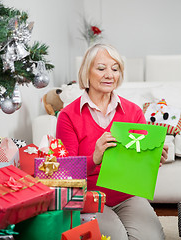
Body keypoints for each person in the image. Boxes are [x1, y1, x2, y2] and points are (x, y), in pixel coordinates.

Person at [56, 43, 168, 240]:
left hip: (127, 195)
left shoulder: (133, 111)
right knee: (117, 238)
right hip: (90, 196)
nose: (109, 74)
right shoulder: (68, 116)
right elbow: (65, 173)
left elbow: (138, 168)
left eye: (115, 69)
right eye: (101, 68)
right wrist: (95, 157)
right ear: (86, 72)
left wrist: (152, 161)